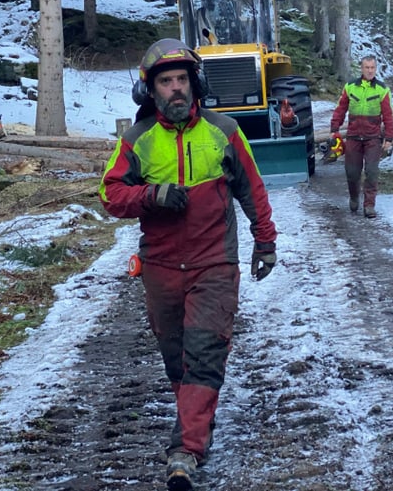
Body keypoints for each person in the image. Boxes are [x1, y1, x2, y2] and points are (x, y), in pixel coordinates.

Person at [99, 38, 278, 491]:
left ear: (195, 83)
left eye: (182, 79)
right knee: (177, 360)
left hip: (214, 261)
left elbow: (252, 190)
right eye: (166, 82)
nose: (176, 88)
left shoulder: (225, 131)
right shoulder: (137, 140)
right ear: (151, 91)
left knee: (205, 354)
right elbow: (110, 195)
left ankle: (185, 452)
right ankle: (198, 423)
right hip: (160, 267)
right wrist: (150, 195)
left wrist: (265, 243)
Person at [329, 55, 393, 218]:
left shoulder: (382, 89)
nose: (370, 70)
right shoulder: (350, 87)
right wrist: (334, 128)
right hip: (353, 137)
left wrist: (389, 138)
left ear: (376, 69)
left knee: (372, 172)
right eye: (367, 67)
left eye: (372, 67)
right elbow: (340, 109)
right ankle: (353, 197)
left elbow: (388, 115)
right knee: (352, 172)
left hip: (373, 138)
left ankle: (369, 205)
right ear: (362, 68)